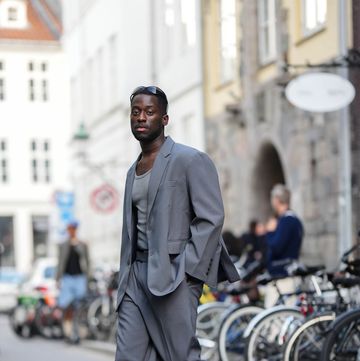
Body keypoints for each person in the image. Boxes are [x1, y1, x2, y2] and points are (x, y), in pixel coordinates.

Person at [115, 85, 239, 361]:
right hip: (135, 278)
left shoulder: (190, 160)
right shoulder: (132, 171)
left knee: (179, 356)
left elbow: (211, 218)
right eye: (136, 112)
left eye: (149, 112)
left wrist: (188, 272)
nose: (141, 118)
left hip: (173, 276)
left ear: (164, 119)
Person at [264, 184, 303, 307]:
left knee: (275, 319)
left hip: (283, 275)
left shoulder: (287, 220)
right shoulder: (294, 219)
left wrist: (269, 232)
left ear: (276, 200)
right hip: (287, 273)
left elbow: (276, 247)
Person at [55, 220, 90, 343]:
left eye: (73, 228)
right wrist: (57, 278)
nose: (71, 231)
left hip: (80, 277)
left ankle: (80, 332)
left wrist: (88, 278)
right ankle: (68, 332)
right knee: (67, 306)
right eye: (69, 228)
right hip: (67, 277)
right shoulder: (63, 245)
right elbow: (60, 262)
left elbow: (87, 262)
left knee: (80, 306)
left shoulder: (82, 244)